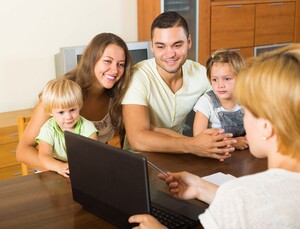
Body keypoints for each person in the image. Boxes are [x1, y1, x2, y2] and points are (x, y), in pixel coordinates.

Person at [128, 44, 300, 228]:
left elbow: (246, 203)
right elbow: (260, 204)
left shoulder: (242, 197)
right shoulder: (247, 197)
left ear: (266, 127)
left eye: (248, 111)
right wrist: (201, 187)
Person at [122, 11, 236, 161]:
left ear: (189, 42)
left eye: (177, 45)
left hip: (180, 156)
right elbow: (138, 138)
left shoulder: (200, 73)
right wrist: (192, 144)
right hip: (139, 158)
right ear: (152, 46)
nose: (170, 54)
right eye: (161, 46)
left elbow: (234, 96)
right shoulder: (137, 77)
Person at [16, 33, 132, 171]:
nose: (114, 70)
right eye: (107, 61)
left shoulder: (117, 98)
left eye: (121, 64)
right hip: (54, 174)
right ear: (91, 59)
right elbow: (23, 152)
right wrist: (63, 169)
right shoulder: (62, 95)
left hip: (88, 173)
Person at [36, 79, 98, 178]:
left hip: (79, 169)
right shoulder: (48, 129)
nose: (68, 117)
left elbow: (93, 154)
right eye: (61, 112)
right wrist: (59, 167)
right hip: (54, 169)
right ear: (50, 112)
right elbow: (44, 156)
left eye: (72, 110)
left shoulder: (87, 127)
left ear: (79, 106)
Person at [193, 49, 248, 150]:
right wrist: (233, 143)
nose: (220, 85)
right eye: (215, 79)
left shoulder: (246, 99)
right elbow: (199, 139)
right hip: (214, 155)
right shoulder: (206, 102)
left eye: (227, 79)